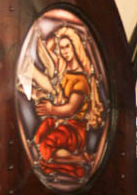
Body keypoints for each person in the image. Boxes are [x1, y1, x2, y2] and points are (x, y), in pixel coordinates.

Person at [33, 26, 104, 179]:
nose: (64, 51)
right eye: (61, 48)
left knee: (45, 147)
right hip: (62, 123)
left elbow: (71, 109)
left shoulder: (81, 80)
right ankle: (61, 163)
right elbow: (48, 49)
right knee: (38, 138)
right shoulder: (65, 73)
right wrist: (57, 35)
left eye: (67, 46)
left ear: (75, 46)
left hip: (74, 130)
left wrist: (51, 109)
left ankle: (79, 159)